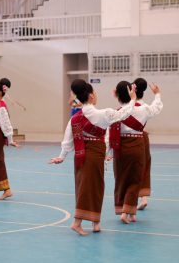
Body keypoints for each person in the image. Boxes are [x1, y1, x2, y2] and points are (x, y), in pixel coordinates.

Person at [49, 79, 137, 236]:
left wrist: (61, 156)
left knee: (90, 187)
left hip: (80, 156)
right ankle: (77, 223)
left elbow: (68, 140)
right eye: (95, 93)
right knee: (90, 188)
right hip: (95, 155)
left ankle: (96, 222)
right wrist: (132, 99)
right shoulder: (103, 114)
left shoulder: (75, 118)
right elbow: (124, 113)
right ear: (91, 96)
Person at [109, 81, 163, 223]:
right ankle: (128, 212)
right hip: (137, 147)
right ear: (132, 92)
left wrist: (109, 152)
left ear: (117, 95)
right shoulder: (143, 109)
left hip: (120, 149)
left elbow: (108, 135)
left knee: (121, 179)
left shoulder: (116, 112)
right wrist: (157, 94)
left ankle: (125, 210)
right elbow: (156, 108)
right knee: (135, 180)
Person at [133, 78, 152, 210]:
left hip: (132, 138)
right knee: (144, 167)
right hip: (143, 136)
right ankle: (144, 198)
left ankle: (129, 201)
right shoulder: (146, 106)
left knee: (131, 169)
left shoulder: (130, 105)